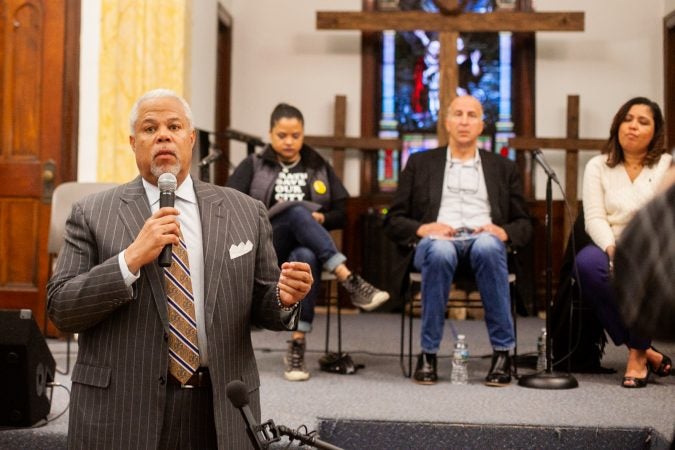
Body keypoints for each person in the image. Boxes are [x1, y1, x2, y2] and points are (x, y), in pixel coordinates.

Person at [47, 89, 313, 449]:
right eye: (149, 128)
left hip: (221, 409)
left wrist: (283, 298)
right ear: (132, 142)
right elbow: (62, 309)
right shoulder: (91, 213)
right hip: (123, 411)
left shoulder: (245, 212)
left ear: (191, 140)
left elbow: (263, 304)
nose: (163, 135)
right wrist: (129, 260)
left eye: (174, 126)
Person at [227, 103, 390, 382]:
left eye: (295, 135)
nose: (289, 141)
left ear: (303, 134)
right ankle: (347, 277)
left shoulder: (317, 165)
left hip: (302, 244)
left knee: (306, 256)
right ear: (270, 133)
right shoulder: (254, 164)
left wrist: (322, 219)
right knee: (294, 211)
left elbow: (341, 210)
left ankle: (297, 344)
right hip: (266, 246)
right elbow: (230, 204)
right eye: (282, 135)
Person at [384, 95, 532, 386]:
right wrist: (424, 228)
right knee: (439, 251)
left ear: (481, 125)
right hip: (437, 242)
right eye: (458, 114)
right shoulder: (420, 163)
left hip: (483, 241)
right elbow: (393, 219)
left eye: (472, 115)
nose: (464, 121)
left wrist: (505, 232)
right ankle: (428, 353)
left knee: (491, 246)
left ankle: (502, 353)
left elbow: (524, 223)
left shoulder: (503, 167)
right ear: (447, 121)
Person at [575, 97, 672, 388]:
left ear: (655, 132)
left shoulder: (667, 165)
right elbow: (593, 217)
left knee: (647, 269)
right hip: (609, 242)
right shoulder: (598, 166)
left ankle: (638, 356)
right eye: (628, 119)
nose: (633, 126)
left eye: (643, 122)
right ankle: (641, 349)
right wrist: (612, 248)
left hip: (654, 246)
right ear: (618, 124)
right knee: (585, 264)